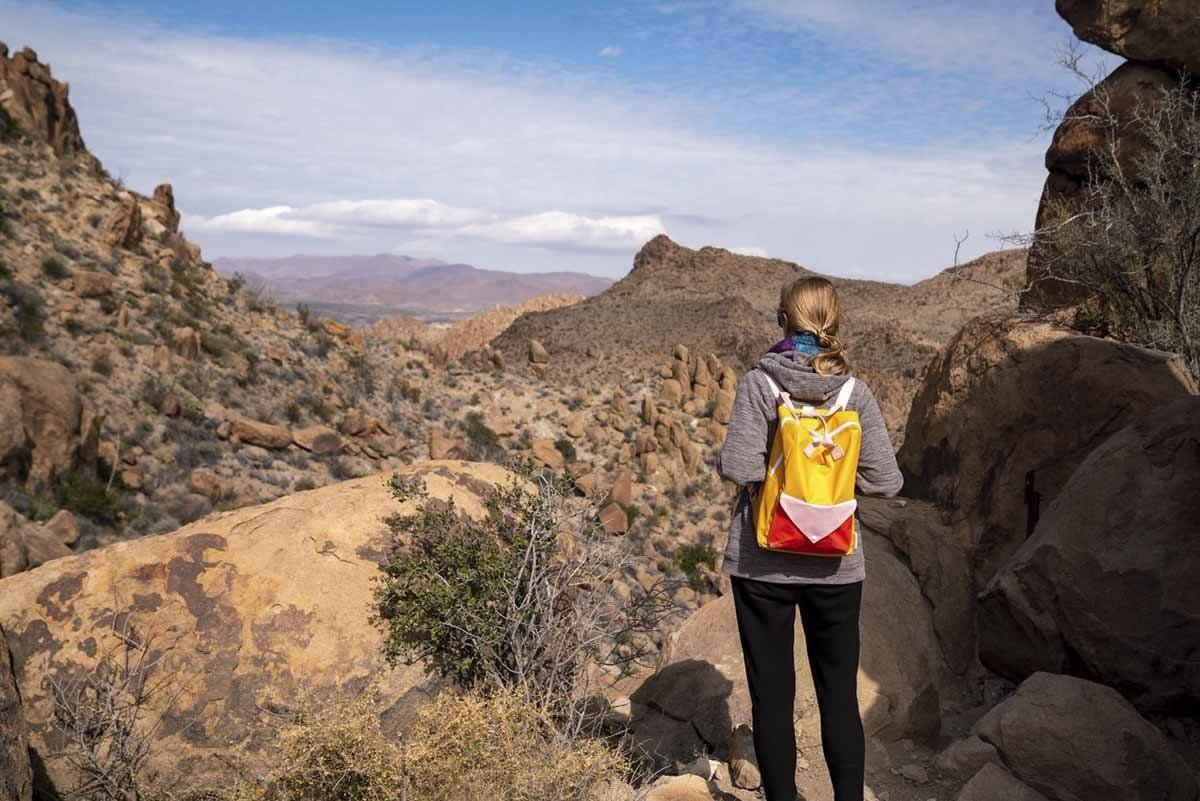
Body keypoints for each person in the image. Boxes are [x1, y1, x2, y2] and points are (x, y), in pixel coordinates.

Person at [716, 276, 903, 801]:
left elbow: (736, 466)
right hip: (837, 565)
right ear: (835, 325)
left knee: (772, 698)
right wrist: (834, 478)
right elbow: (888, 482)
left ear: (783, 321)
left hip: (763, 563)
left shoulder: (761, 384)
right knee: (839, 697)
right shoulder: (853, 393)